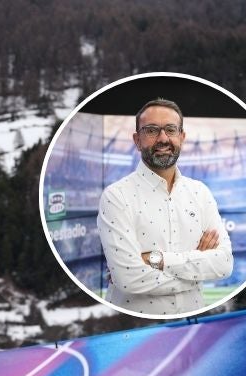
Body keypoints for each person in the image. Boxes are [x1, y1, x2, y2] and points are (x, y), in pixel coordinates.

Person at [96, 98, 233, 316]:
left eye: (170, 129)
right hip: (132, 332)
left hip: (192, 327)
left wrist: (155, 259)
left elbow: (224, 264)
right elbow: (128, 279)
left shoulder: (200, 193)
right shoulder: (116, 196)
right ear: (137, 140)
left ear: (182, 137)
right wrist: (196, 268)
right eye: (151, 130)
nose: (163, 138)